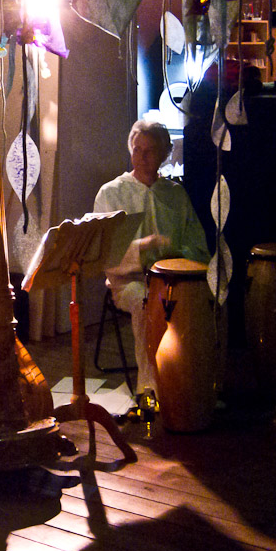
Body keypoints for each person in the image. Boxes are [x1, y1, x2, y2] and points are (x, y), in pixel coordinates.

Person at [93, 119, 210, 396]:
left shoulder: (175, 194)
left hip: (174, 280)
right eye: (137, 149)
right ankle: (153, 389)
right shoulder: (111, 193)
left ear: (165, 153)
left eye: (150, 150)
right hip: (129, 282)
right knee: (150, 303)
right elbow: (105, 256)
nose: (142, 157)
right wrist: (144, 247)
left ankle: (195, 384)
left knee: (206, 300)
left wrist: (176, 260)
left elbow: (198, 247)